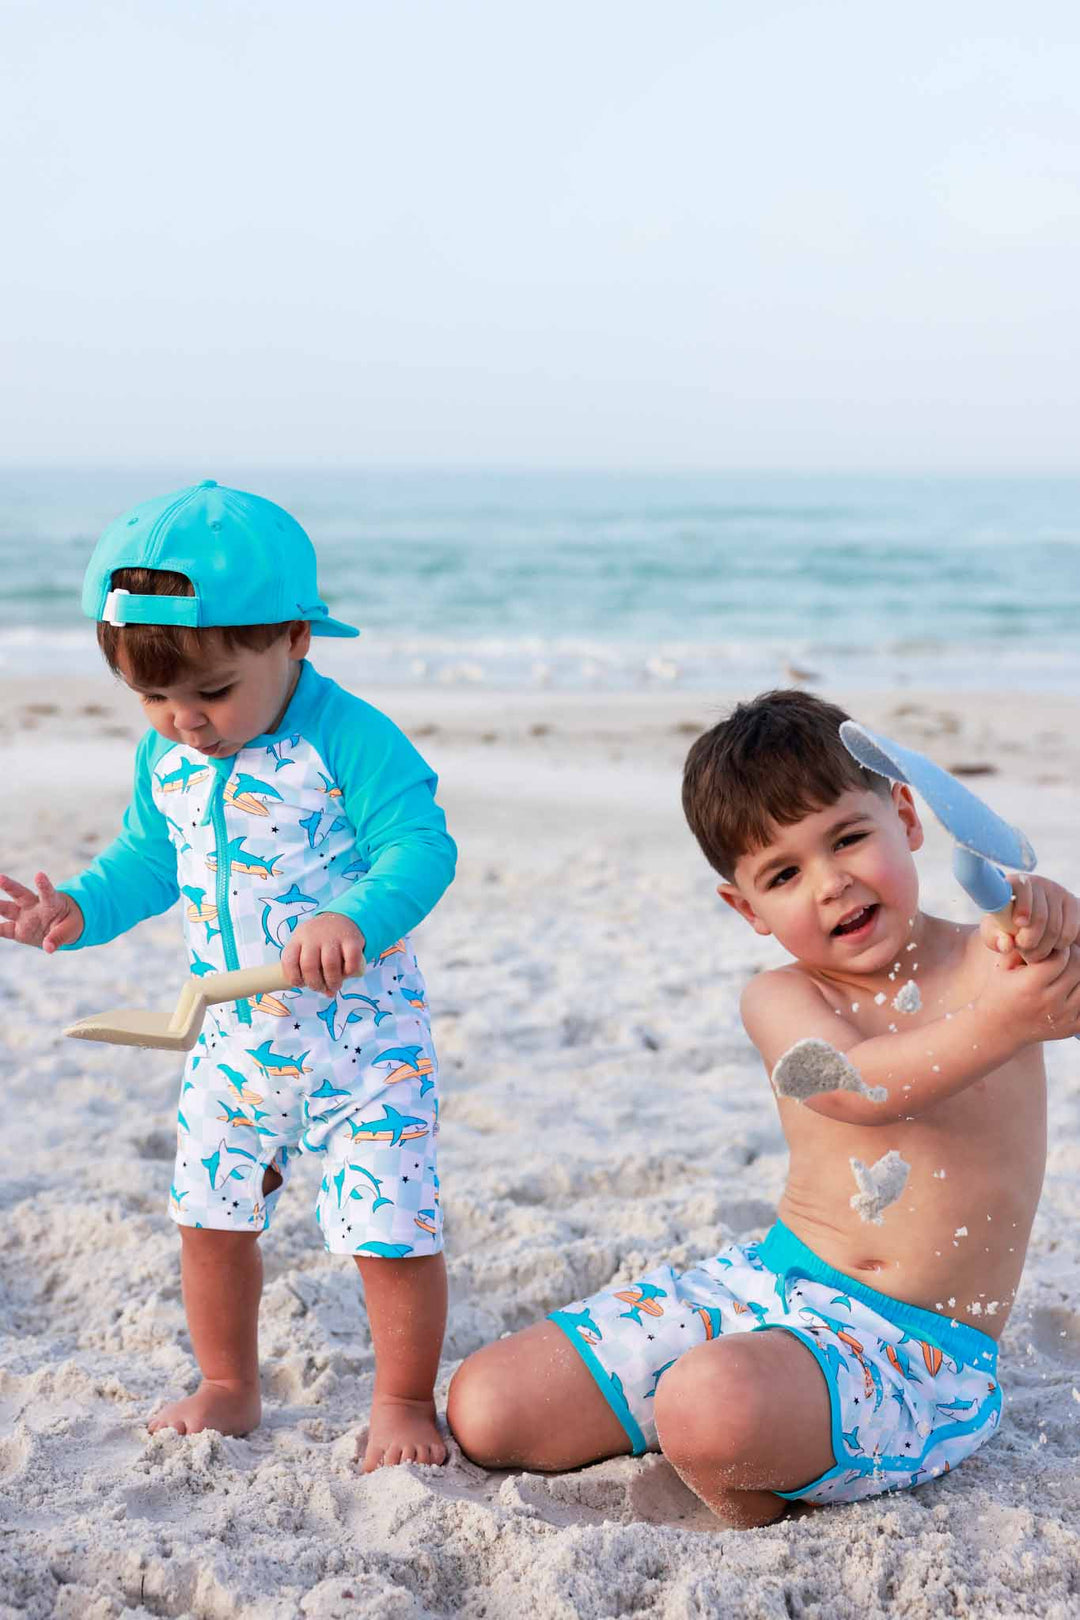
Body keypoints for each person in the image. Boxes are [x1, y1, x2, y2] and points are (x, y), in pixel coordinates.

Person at [447, 688, 1080, 1525]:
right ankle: (736, 1426)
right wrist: (1005, 1020)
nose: (832, 883)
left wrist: (1058, 931)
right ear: (745, 908)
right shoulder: (782, 999)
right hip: (767, 1285)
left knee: (709, 1407)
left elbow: (1054, 977)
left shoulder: (988, 965)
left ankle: (746, 1487)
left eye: (849, 838)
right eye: (784, 874)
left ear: (906, 816)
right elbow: (852, 1085)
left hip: (919, 1351)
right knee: (487, 1405)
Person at [0, 480, 457, 1469]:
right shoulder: (164, 760)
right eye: (155, 698)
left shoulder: (346, 737)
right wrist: (76, 909)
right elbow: (148, 862)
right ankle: (228, 1384)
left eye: (210, 692)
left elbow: (420, 847)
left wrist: (354, 916)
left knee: (389, 1225)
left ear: (295, 639)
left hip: (358, 1034)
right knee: (208, 1216)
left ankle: (403, 1398)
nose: (186, 721)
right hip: (227, 1032)